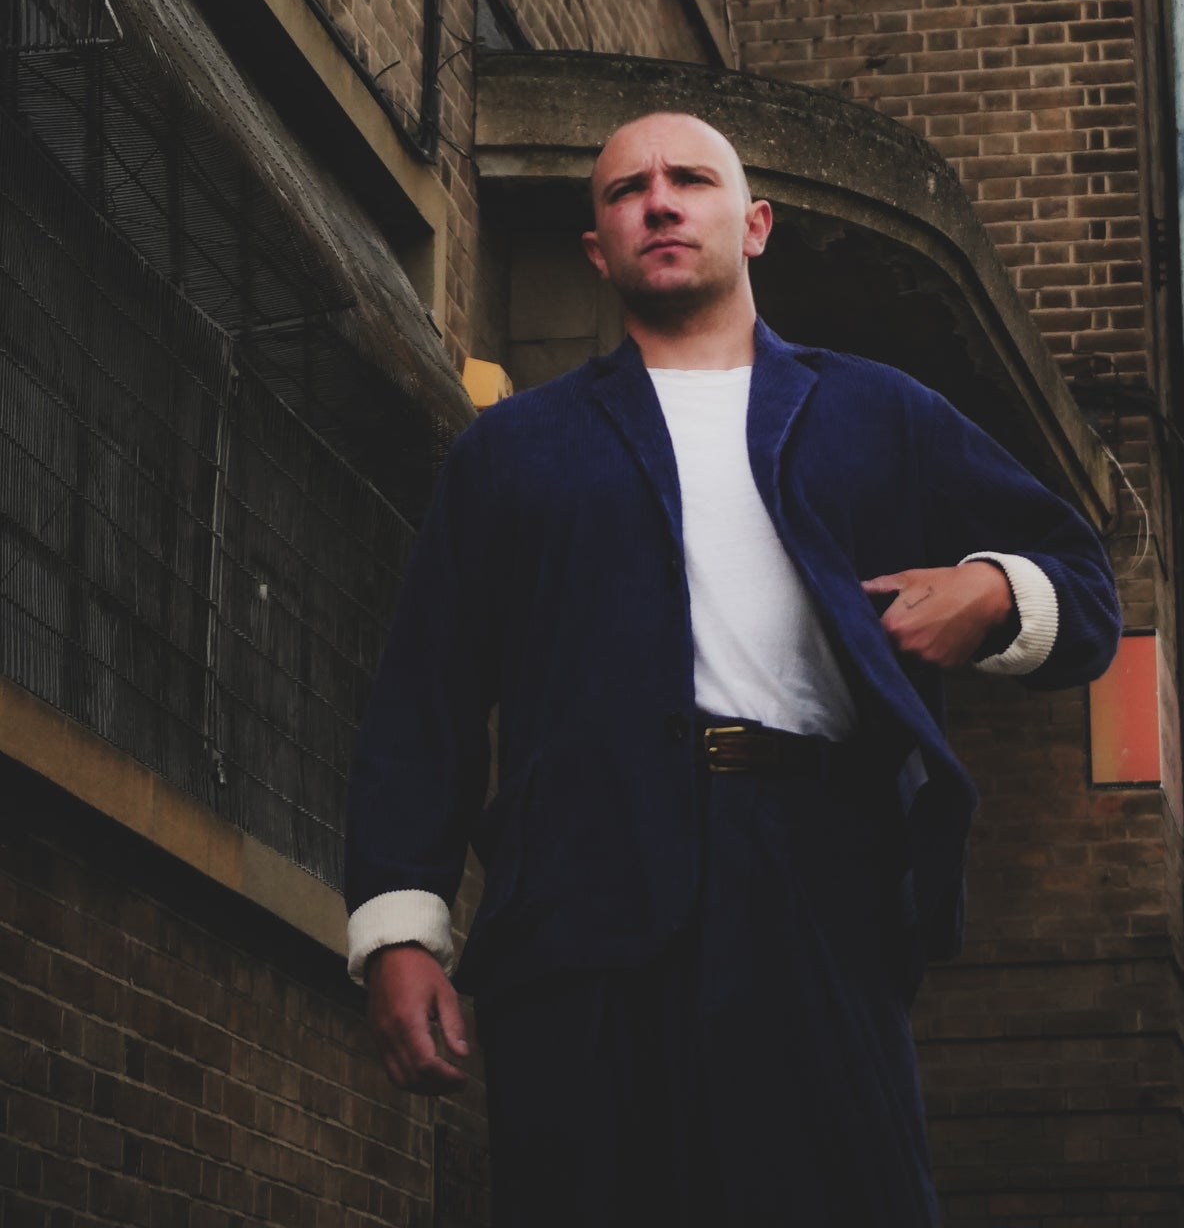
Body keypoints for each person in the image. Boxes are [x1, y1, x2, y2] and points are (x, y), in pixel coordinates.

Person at [344, 110, 1120, 1226]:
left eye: (691, 179)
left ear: (753, 224)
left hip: (816, 888)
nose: (658, 200)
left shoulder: (876, 410)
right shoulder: (514, 450)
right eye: (626, 189)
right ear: (596, 248)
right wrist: (399, 931)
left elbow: (1086, 581)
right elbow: (428, 693)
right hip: (580, 905)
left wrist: (994, 590)